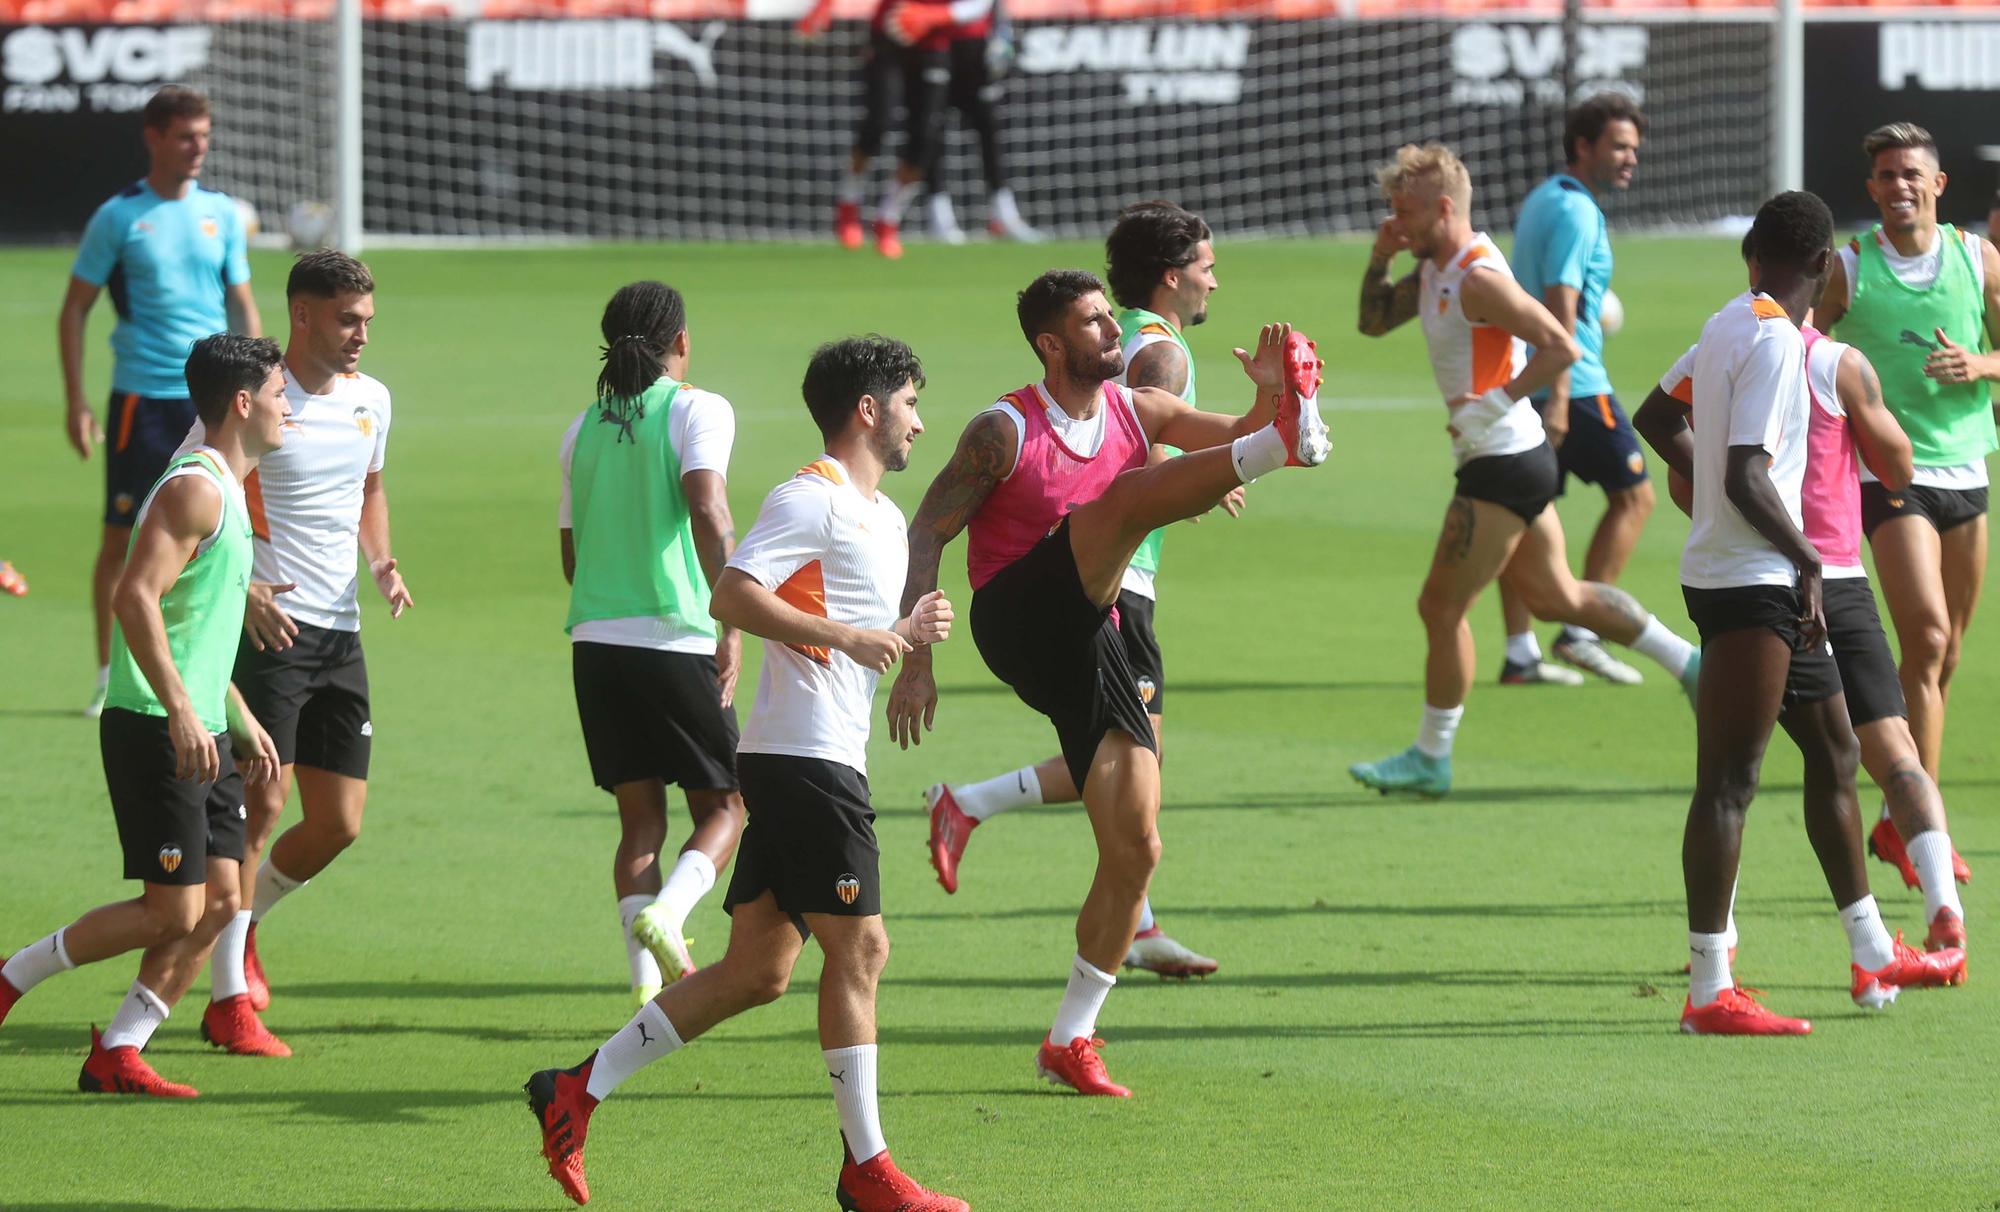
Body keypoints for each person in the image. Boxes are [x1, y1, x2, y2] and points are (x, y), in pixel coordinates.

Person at [525, 336, 966, 1212]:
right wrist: (851, 638)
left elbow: (836, 620)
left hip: (816, 755)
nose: (921, 419)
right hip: (802, 761)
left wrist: (908, 632)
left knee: (758, 971)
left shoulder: (878, 515)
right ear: (868, 410)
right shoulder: (811, 498)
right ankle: (866, 1170)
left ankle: (574, 1088)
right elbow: (731, 592)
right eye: (910, 401)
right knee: (862, 947)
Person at [888, 269, 1328, 1097]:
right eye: (1091, 324)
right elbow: (925, 532)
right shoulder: (1004, 429)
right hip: (1017, 615)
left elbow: (1227, 430)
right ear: (1051, 345)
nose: (1111, 332)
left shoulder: (1140, 409)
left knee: (1136, 848)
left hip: (1095, 632)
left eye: (1107, 318)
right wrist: (917, 658)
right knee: (1126, 502)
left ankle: (1070, 1036)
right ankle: (1282, 455)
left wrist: (1270, 398)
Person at [1653, 191, 1962, 1036]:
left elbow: (1657, 416)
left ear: (1752, 256)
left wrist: (1716, 505)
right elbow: (1752, 472)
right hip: (1757, 582)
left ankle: (1869, 951)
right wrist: (1804, 561)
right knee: (1729, 780)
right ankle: (1710, 989)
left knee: (1834, 753)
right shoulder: (1780, 342)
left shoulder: (1728, 320)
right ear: (1825, 267)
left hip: (1755, 573)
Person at [924, 202, 1227, 979]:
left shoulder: (1131, 335)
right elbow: (1143, 458)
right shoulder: (1160, 355)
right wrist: (1200, 479)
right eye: (1206, 266)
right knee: (1134, 761)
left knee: (1130, 763)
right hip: (1113, 581)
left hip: (1105, 575)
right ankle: (984, 813)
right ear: (1172, 275)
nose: (1212, 281)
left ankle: (1133, 912)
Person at [1349, 143, 1699, 799]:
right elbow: (1371, 324)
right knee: (1557, 597)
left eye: (1404, 212)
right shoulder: (1433, 268)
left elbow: (1562, 345)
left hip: (1503, 461)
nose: (1397, 223)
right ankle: (1692, 665)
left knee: (1440, 605)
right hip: (1512, 456)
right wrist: (1380, 254)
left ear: (1444, 208)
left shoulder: (1478, 279)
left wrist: (1497, 402)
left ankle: (1432, 755)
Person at [0, 335, 289, 1095]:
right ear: (242, 402)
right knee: (171, 910)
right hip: (155, 725)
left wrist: (236, 712)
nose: (287, 404)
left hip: (202, 724)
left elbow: (196, 627)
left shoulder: (228, 483)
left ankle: (119, 1050)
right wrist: (184, 714)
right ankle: (8, 980)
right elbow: (134, 597)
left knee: (227, 899)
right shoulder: (195, 489)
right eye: (280, 392)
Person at [185, 252, 410, 1038]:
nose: (360, 336)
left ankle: (246, 929)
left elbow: (369, 490)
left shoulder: (371, 400)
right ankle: (226, 1002)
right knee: (262, 802)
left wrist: (380, 559)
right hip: (270, 629)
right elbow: (192, 479)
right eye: (348, 320)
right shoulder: (257, 393)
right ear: (304, 314)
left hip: (341, 629)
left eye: (368, 322)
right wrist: (239, 586)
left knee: (339, 821)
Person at [1813, 123, 1996, 887]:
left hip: (1967, 471)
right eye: (1886, 176)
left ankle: (1897, 819)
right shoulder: (1848, 270)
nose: (1899, 187)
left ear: (1939, 184)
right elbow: (1797, 345)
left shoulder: (1976, 256)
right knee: (1921, 636)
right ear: (1872, 190)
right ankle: (1930, 829)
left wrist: (1981, 362)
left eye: (1911, 174)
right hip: (1889, 476)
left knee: (1945, 653)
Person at [559, 282, 746, 1006]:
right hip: (676, 636)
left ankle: (644, 989)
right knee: (727, 806)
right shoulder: (699, 409)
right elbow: (708, 507)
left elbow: (572, 559)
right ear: (682, 343)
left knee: (640, 821)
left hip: (595, 642)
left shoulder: (581, 430)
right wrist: (733, 621)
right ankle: (669, 915)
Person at [61, 86, 260, 718]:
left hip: (214, 405)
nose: (198, 146)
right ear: (154, 138)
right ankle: (104, 672)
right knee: (121, 540)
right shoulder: (118, 218)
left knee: (223, 532)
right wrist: (78, 400)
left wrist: (264, 381)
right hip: (142, 400)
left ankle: (213, 676)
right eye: (185, 136)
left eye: (204, 134)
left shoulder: (223, 214)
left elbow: (241, 302)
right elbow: (75, 310)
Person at [1496, 93, 1656, 686]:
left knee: (1518, 516)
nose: (1628, 159)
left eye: (1633, 149)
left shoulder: (1545, 198)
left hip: (1529, 379)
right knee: (1635, 497)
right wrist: (1560, 397)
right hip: (1575, 384)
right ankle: (1583, 632)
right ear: (1583, 146)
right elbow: (1561, 305)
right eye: (1618, 146)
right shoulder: (1577, 214)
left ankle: (1519, 654)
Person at [921, 0, 1042, 245]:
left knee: (989, 129)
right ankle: (939, 216)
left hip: (975, 46)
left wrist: (1001, 33)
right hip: (935, 43)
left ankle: (1004, 214)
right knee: (931, 131)